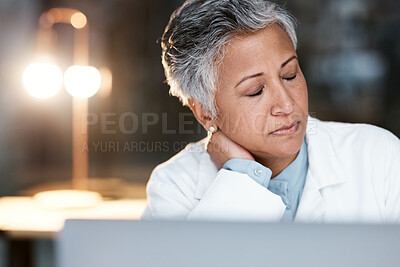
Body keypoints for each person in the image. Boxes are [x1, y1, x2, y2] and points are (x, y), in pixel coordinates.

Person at [141, 0, 400, 223]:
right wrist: (242, 177)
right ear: (204, 111)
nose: (287, 105)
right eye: (255, 91)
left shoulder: (378, 156)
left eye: (290, 75)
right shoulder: (174, 187)